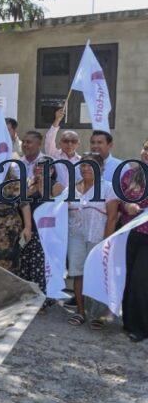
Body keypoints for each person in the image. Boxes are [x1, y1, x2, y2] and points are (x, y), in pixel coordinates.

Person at [66, 153, 120, 329]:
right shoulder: (71, 189)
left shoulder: (108, 188)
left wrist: (106, 243)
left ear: (101, 168)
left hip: (98, 238)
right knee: (78, 273)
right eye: (83, 165)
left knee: (97, 275)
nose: (86, 168)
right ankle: (80, 312)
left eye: (91, 165)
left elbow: (112, 218)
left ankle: (98, 314)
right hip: (76, 237)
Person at [16, 157, 64, 302]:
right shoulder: (30, 185)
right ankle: (27, 298)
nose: (39, 169)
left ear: (51, 170)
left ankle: (43, 301)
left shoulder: (57, 187)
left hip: (47, 234)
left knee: (42, 268)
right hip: (30, 231)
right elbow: (21, 202)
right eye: (37, 166)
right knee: (25, 265)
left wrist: (43, 186)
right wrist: (34, 187)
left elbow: (54, 207)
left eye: (43, 167)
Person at [118, 138, 148, 342]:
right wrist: (126, 206)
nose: (146, 152)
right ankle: (128, 322)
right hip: (129, 233)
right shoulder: (130, 174)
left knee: (141, 280)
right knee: (128, 278)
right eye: (145, 148)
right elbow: (120, 197)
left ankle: (141, 327)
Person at [0, 164, 32, 270]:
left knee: (10, 266)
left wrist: (28, 227)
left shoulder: (15, 182)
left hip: (9, 231)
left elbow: (24, 204)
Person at [45, 107, 81, 188]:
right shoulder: (53, 155)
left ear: (78, 144)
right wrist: (57, 120)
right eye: (66, 141)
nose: (69, 144)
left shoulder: (82, 161)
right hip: (56, 197)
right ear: (60, 143)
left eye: (73, 141)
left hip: (74, 198)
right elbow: (49, 139)